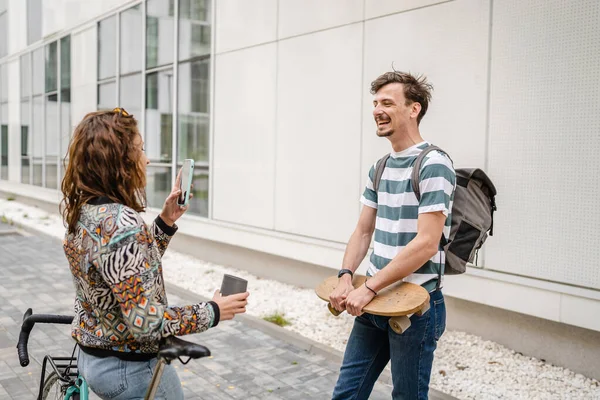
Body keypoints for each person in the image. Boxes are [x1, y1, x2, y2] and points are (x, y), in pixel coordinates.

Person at [60, 108, 249, 399]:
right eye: (141, 150)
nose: (146, 159)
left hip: (93, 360)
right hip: (132, 371)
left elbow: (122, 273)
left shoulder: (85, 212)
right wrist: (213, 311)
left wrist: (165, 222)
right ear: (120, 162)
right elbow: (145, 323)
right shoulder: (123, 223)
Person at [330, 72, 456, 400]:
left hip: (415, 307)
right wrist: (346, 278)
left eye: (387, 102)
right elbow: (363, 231)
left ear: (414, 109)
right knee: (346, 394)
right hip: (373, 301)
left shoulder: (434, 164)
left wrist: (369, 287)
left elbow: (427, 243)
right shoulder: (381, 166)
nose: (377, 110)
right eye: (375, 103)